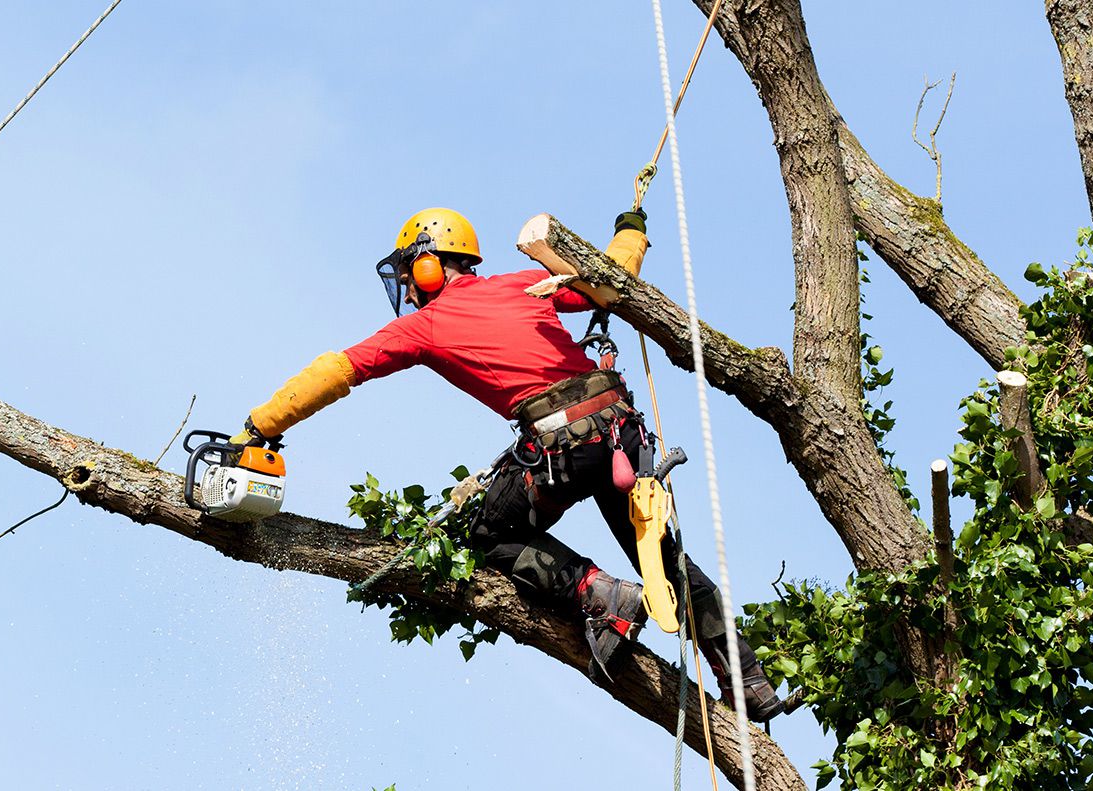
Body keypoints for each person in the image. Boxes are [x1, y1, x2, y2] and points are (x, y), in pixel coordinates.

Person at [231, 207, 786, 720]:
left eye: (408, 274)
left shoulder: (424, 325)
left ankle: (597, 591)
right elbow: (612, 280)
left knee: (482, 534)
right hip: (617, 434)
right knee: (663, 562)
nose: (406, 287)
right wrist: (631, 229)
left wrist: (259, 427)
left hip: (561, 448)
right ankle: (749, 681)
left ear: (428, 264)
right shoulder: (526, 283)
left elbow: (339, 369)